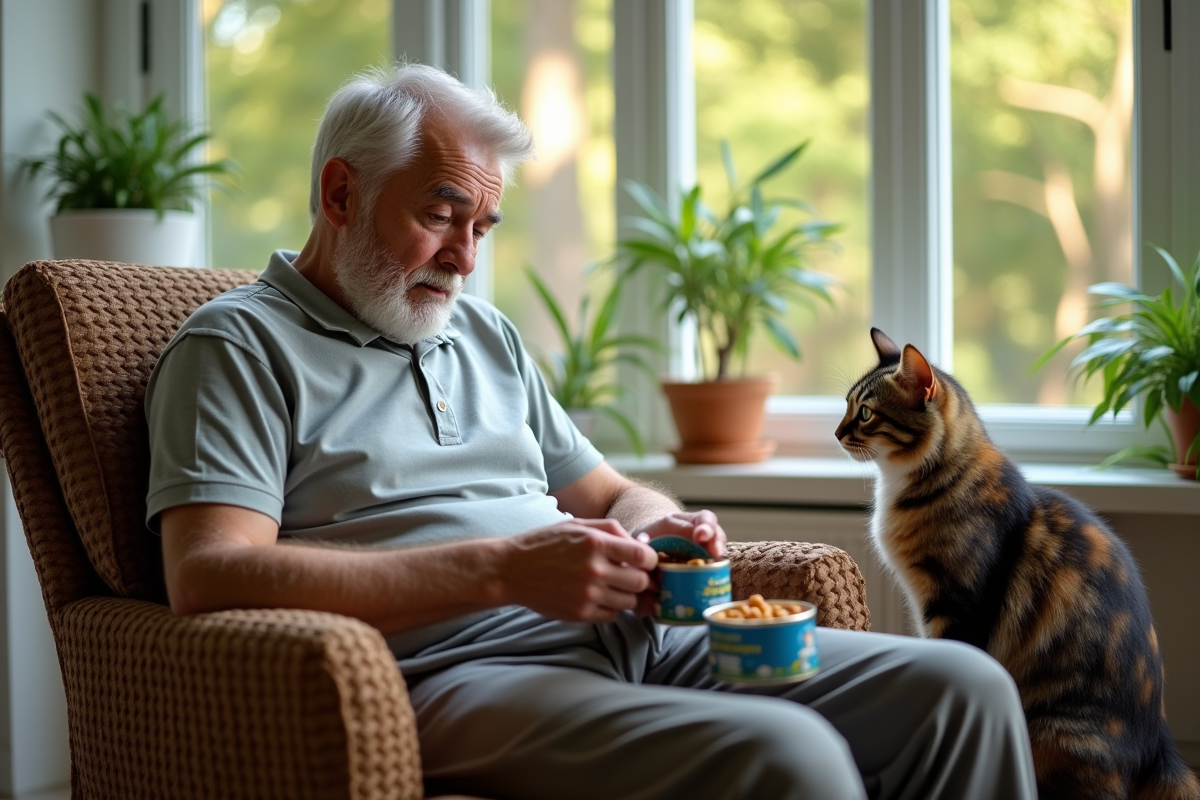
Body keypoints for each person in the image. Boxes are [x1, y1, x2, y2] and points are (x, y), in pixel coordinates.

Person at [146, 62, 1037, 800]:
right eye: (440, 216)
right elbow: (209, 574)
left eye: (482, 227)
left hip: (641, 635)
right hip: (450, 676)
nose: (465, 258)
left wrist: (657, 527)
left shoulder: (481, 334)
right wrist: (504, 570)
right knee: (790, 758)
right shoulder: (238, 345)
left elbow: (608, 493)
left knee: (965, 688)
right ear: (341, 192)